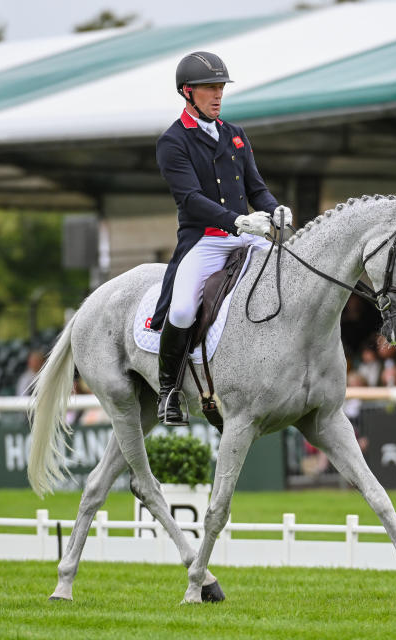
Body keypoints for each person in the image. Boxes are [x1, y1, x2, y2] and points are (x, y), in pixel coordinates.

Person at [151, 51, 291, 425]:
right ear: (187, 92)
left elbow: (256, 189)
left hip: (248, 233)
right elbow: (191, 200)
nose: (218, 95)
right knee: (181, 310)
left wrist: (275, 208)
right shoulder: (173, 141)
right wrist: (237, 221)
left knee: (289, 275)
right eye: (210, 88)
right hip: (206, 240)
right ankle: (169, 392)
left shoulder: (236, 136)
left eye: (220, 88)